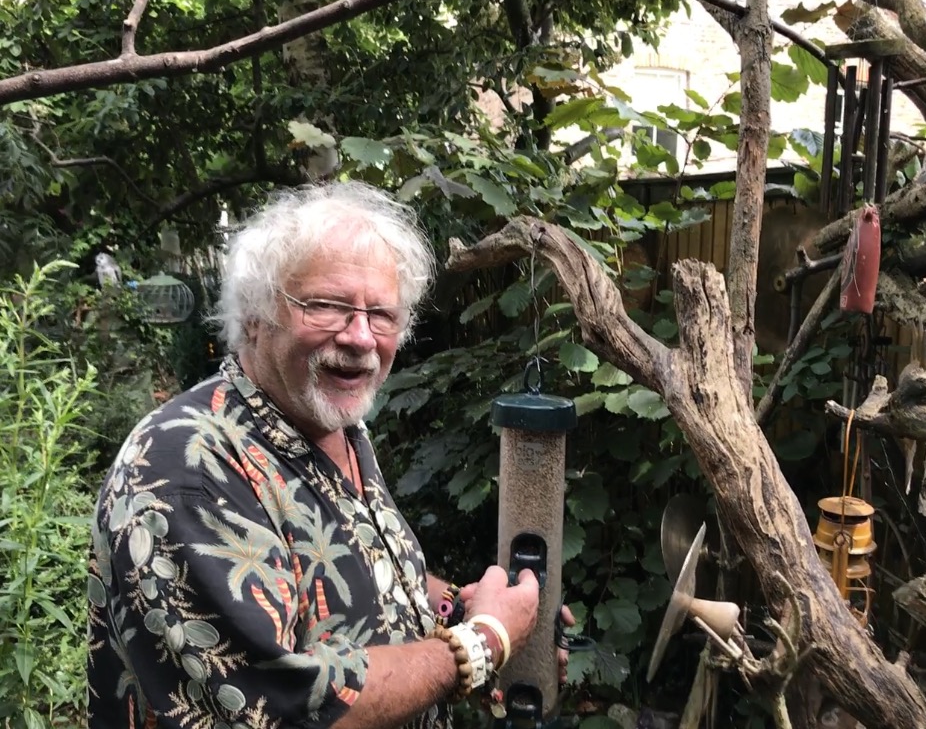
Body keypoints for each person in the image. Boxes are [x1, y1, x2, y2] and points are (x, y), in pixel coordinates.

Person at [87, 181, 567, 729]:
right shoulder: (184, 469)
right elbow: (284, 704)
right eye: (328, 306)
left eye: (381, 314)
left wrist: (458, 606)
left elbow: (350, 567)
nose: (361, 337)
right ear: (254, 315)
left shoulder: (330, 421)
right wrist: (482, 642)